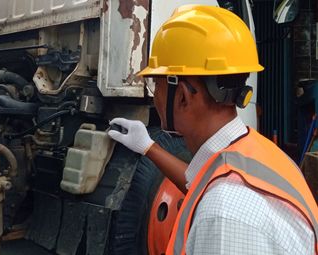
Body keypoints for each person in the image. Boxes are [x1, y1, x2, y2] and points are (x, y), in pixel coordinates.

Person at [108, 5, 318, 255]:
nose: (155, 97)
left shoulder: (224, 215)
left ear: (183, 96)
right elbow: (198, 182)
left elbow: (219, 196)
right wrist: (148, 147)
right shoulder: (258, 154)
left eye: (157, 84)